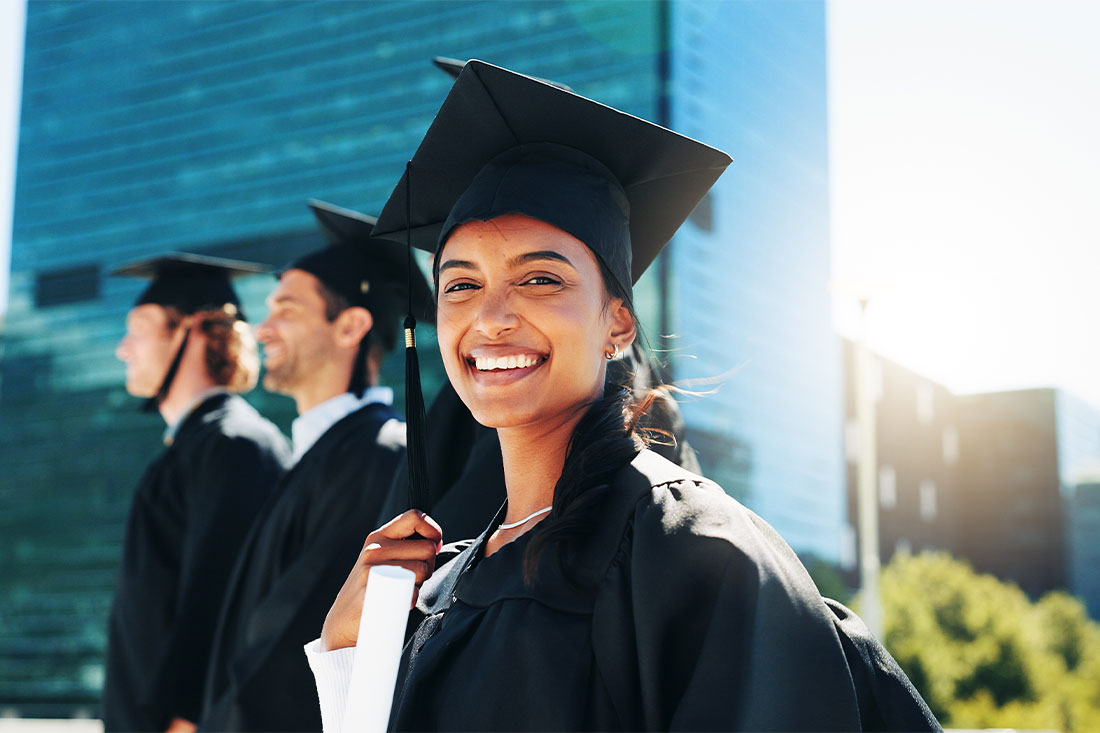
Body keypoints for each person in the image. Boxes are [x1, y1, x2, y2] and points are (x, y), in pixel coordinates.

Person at [309, 61, 940, 731]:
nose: (490, 316)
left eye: (541, 279)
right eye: (460, 285)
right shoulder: (447, 580)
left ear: (617, 323)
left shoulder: (690, 545)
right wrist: (353, 649)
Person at [196, 200, 432, 732]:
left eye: (287, 309)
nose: (261, 330)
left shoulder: (380, 453)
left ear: (350, 326)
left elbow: (289, 646)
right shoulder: (315, 454)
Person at [104, 253, 291, 733]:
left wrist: (183, 721)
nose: (124, 349)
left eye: (139, 330)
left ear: (192, 330)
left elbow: (219, 606)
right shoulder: (194, 447)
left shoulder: (236, 445)